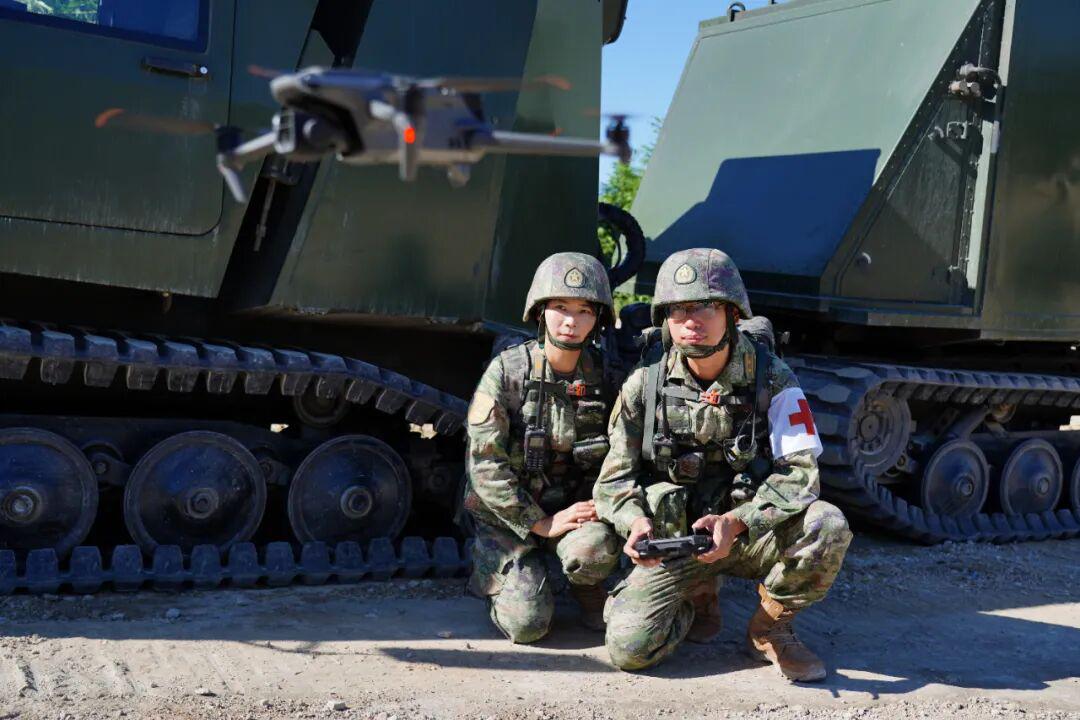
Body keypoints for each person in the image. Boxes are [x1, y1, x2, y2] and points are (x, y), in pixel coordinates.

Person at [594, 248, 852, 681]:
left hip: (749, 535)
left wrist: (738, 522)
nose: (691, 320)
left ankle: (770, 628)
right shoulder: (645, 384)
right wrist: (633, 523)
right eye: (678, 310)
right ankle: (695, 593)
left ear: (732, 313)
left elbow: (801, 476)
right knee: (630, 650)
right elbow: (614, 479)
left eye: (706, 307)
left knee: (827, 524)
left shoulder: (774, 378)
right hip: (677, 542)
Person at [463, 252, 622, 643]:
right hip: (509, 517)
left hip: (574, 511)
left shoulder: (607, 376)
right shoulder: (508, 372)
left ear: (598, 319)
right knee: (528, 625)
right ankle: (499, 573)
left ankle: (585, 583)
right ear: (540, 311)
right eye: (560, 307)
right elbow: (485, 464)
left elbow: (625, 455)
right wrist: (538, 523)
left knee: (592, 550)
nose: (571, 321)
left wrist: (599, 507)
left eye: (584, 311)